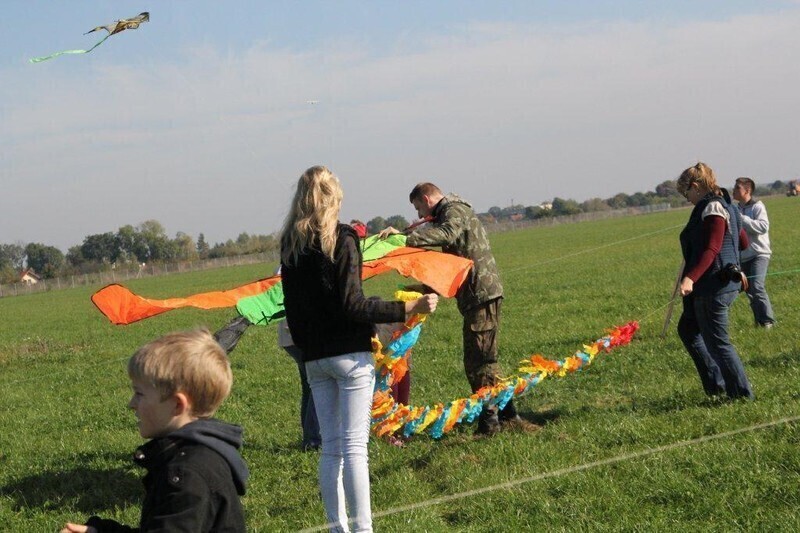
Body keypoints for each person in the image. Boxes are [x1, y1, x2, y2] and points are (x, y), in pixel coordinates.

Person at [280, 166, 438, 532]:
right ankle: (363, 529)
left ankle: (337, 529)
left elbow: (293, 309)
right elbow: (354, 305)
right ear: (335, 198)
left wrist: (309, 349)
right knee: (355, 450)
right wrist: (408, 307)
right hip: (350, 357)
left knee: (331, 449)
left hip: (315, 360)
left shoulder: (290, 245)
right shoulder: (343, 238)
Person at [379, 182, 534, 436]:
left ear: (427, 199)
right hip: (477, 295)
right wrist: (424, 287)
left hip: (481, 295)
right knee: (485, 359)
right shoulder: (448, 212)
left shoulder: (453, 210)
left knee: (479, 362)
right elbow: (452, 263)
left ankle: (490, 423)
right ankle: (508, 414)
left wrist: (403, 239)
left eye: (419, 208)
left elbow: (447, 234)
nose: (419, 216)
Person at [62, 329, 249, 533]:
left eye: (139, 393)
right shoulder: (194, 455)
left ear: (177, 405)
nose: (131, 403)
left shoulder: (187, 474)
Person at [676, 162, 754, 400]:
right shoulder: (728, 207)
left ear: (696, 186)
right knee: (688, 330)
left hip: (714, 285)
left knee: (718, 343)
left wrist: (690, 278)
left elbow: (712, 248)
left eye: (686, 192)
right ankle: (716, 386)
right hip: (720, 282)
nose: (686, 198)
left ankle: (741, 395)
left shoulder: (712, 209)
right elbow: (743, 243)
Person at [732, 177, 775, 328]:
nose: (734, 190)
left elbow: (763, 227)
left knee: (757, 286)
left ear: (747, 190)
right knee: (749, 289)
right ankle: (759, 321)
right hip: (743, 256)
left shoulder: (758, 207)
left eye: (737, 188)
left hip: (759, 254)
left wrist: (741, 219)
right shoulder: (735, 209)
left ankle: (767, 321)